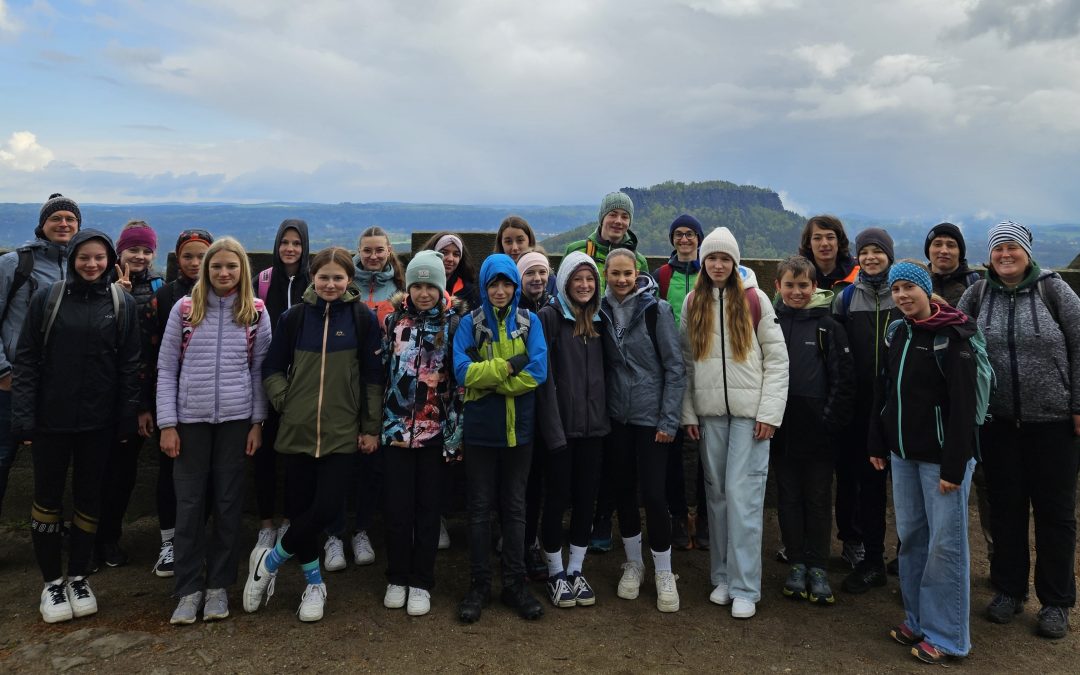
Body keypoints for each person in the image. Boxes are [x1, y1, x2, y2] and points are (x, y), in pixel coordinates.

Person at [245, 246, 383, 622]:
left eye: (339, 277)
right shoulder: (293, 318)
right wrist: (286, 402)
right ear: (312, 277)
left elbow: (373, 379)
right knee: (301, 510)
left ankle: (270, 561)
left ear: (349, 281)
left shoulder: (361, 319)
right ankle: (313, 585)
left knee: (325, 508)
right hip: (297, 430)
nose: (331, 284)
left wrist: (370, 428)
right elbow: (271, 368)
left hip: (342, 431)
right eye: (324, 277)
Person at [957, 221, 1080, 640]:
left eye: (1012, 248)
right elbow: (959, 340)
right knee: (1006, 510)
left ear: (1027, 251)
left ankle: (1056, 602)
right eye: (997, 250)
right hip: (998, 423)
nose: (1005, 255)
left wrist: (1078, 404)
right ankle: (1009, 590)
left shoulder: (1054, 290)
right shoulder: (978, 293)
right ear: (989, 256)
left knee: (1056, 515)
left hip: (1054, 423)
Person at [13, 229, 140, 623]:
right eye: (84, 257)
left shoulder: (121, 302)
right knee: (47, 499)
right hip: (51, 420)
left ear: (110, 260)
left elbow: (130, 365)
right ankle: (52, 582)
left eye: (99, 258)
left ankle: (80, 576)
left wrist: (124, 418)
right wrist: (24, 419)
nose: (92, 264)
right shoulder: (47, 299)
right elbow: (27, 361)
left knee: (90, 497)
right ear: (73, 260)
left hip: (98, 423)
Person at [157, 237, 271, 625]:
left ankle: (219, 586)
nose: (224, 273)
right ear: (205, 270)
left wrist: (257, 422)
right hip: (190, 422)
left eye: (232, 267)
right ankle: (188, 590)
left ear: (244, 270)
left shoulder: (255, 312)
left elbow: (260, 372)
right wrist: (167, 424)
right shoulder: (185, 309)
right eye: (216, 266)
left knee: (227, 505)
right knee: (189, 507)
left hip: (237, 421)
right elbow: (167, 368)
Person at [871, 261, 978, 664]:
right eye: (895, 290)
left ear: (925, 290)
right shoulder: (898, 332)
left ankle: (949, 636)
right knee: (912, 539)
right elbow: (884, 393)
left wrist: (954, 466)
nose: (901, 296)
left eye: (908, 289)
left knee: (945, 547)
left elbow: (963, 407)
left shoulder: (952, 337)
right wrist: (878, 442)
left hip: (941, 462)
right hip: (903, 455)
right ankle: (916, 620)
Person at [681, 228, 788, 619]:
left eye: (725, 258)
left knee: (743, 501)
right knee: (719, 498)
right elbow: (686, 362)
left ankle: (746, 586)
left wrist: (769, 414)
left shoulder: (755, 300)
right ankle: (723, 577)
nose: (718, 264)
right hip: (711, 416)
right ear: (703, 262)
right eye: (712, 258)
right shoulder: (693, 302)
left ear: (735, 261)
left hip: (750, 417)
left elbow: (778, 361)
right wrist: (689, 412)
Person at [452, 253, 548, 624]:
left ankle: (514, 584)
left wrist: (491, 380)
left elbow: (538, 371)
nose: (501, 290)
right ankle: (479, 585)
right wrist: (509, 366)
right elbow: (462, 372)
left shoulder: (530, 322)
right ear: (485, 286)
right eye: (494, 284)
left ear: (516, 286)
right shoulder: (469, 324)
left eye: (508, 283)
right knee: (478, 510)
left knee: (514, 508)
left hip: (518, 430)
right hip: (481, 432)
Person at [600, 248, 686, 613]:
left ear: (638, 273)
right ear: (606, 275)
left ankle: (664, 570)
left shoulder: (656, 310)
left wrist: (669, 421)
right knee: (623, 491)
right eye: (615, 274)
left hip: (652, 418)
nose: (621, 280)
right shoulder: (600, 311)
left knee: (654, 494)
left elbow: (675, 367)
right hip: (617, 417)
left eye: (627, 273)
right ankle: (633, 562)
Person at [379, 250, 464, 617]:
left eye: (432, 285)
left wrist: (454, 436)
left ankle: (421, 580)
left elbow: (460, 385)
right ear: (408, 287)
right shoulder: (393, 322)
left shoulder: (455, 325)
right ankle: (397, 575)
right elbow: (382, 371)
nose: (425, 292)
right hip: (396, 431)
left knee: (429, 511)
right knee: (397, 508)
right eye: (418, 285)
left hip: (435, 434)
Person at [772, 255, 853, 606]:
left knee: (818, 498)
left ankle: (818, 565)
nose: (796, 292)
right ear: (778, 287)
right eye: (789, 285)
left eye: (803, 285)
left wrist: (830, 422)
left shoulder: (828, 326)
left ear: (814, 287)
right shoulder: (771, 322)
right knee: (788, 498)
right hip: (780, 426)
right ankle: (796, 560)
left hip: (818, 429)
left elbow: (843, 379)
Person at [534, 251, 609, 608]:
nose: (584, 285)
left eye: (590, 279)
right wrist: (553, 431)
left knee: (585, 501)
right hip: (561, 431)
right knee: (557, 499)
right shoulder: (549, 317)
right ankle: (554, 571)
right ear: (564, 282)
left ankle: (576, 570)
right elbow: (543, 379)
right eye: (577, 279)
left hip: (595, 429)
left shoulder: (600, 319)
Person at [90, 220, 164, 569]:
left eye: (146, 250)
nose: (140, 255)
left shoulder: (161, 287)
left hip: (139, 395)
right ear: (119, 251)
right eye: (133, 249)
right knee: (94, 470)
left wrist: (144, 403)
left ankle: (108, 538)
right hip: (100, 392)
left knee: (122, 473)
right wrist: (115, 294)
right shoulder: (97, 282)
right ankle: (87, 539)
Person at [0, 193, 79, 519]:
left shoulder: (83, 265)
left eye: (70, 219)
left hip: (56, 388)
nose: (63, 224)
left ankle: (49, 531)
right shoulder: (15, 263)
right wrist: (3, 372)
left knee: (53, 464)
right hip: (12, 383)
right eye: (56, 218)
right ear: (42, 224)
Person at [832, 227, 900, 593]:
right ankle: (871, 558)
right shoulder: (845, 299)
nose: (871, 257)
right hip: (860, 408)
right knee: (867, 486)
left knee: (905, 489)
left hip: (902, 406)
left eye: (878, 251)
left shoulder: (904, 292)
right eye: (865, 252)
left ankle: (906, 558)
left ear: (889, 254)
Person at [143, 229, 214, 578]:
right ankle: (169, 541)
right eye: (188, 256)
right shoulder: (166, 295)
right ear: (177, 258)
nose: (195, 263)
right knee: (170, 470)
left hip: (212, 399)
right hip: (171, 397)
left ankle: (198, 536)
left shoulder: (226, 292)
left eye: (203, 256)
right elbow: (152, 352)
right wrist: (149, 405)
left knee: (210, 474)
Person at [333, 225, 405, 566]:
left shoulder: (402, 288)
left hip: (389, 386)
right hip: (345, 383)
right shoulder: (345, 286)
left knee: (372, 464)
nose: (374, 256)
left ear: (389, 250)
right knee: (338, 462)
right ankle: (334, 533)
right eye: (367, 250)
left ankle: (361, 529)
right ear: (357, 252)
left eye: (379, 250)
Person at [249, 219, 311, 571]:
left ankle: (290, 519)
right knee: (265, 456)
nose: (290, 248)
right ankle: (265, 524)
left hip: (303, 381)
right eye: (285, 242)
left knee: (296, 457)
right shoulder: (264, 280)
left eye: (296, 243)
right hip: (267, 376)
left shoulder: (312, 279)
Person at [650, 213, 707, 551]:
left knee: (706, 452)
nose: (684, 240)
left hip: (705, 371)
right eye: (679, 235)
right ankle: (676, 516)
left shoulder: (709, 272)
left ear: (699, 239)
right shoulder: (662, 275)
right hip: (669, 372)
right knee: (669, 450)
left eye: (690, 234)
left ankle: (702, 517)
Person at [516, 250, 554, 582]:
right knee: (520, 482)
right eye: (530, 273)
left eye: (542, 272)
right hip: (519, 406)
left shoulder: (556, 308)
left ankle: (531, 542)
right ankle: (519, 542)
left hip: (550, 409)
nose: (537, 278)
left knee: (539, 481)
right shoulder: (511, 312)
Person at [564, 192, 649, 287]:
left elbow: (646, 298)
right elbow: (561, 290)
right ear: (602, 218)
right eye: (613, 215)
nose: (618, 221)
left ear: (629, 222)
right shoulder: (576, 251)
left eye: (625, 217)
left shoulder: (639, 261)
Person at [924, 222, 981, 306]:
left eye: (951, 245)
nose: (944, 251)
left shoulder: (974, 284)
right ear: (928, 250)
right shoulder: (919, 283)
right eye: (937, 244)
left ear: (960, 252)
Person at [797, 215, 859, 291]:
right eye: (817, 238)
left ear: (839, 241)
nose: (824, 243)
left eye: (830, 237)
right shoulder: (796, 272)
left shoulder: (858, 274)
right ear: (809, 243)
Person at [423, 231, 479, 310]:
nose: (450, 259)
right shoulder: (417, 287)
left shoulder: (469, 291)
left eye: (456, 254)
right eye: (444, 253)